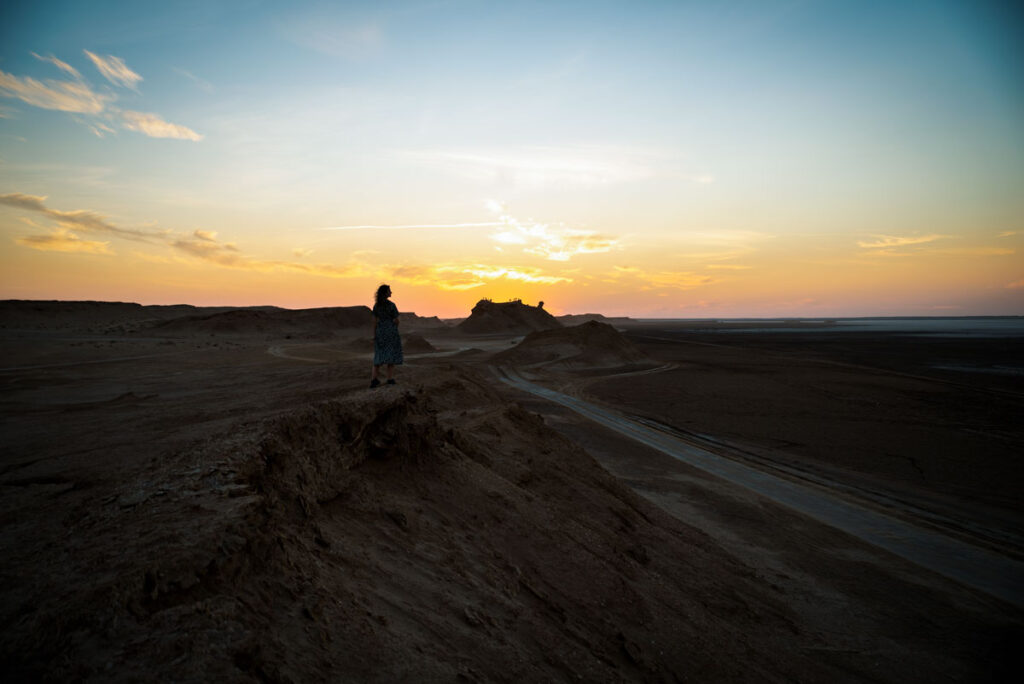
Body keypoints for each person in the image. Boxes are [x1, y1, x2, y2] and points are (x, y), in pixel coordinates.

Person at [370, 284, 403, 388]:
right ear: (385, 293)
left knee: (379, 355)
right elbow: (397, 320)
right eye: (389, 291)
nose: (391, 292)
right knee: (391, 355)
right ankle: (390, 379)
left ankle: (374, 380)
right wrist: (393, 328)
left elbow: (374, 322)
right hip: (390, 332)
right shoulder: (391, 305)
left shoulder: (376, 306)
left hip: (380, 332)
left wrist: (375, 334)